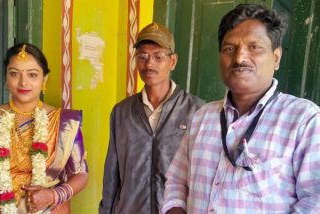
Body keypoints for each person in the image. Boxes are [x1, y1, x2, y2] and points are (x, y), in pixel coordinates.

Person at [161, 4, 320, 213]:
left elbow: (314, 203)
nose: (239, 58)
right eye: (229, 49)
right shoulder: (202, 118)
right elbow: (175, 184)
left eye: (254, 47)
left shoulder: (304, 120)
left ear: (276, 57)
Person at [0, 43, 89, 214]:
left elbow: (81, 174)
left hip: (52, 209)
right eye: (14, 74)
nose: (23, 82)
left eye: (32, 74)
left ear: (44, 79)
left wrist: (54, 195)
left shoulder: (65, 122)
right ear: (6, 78)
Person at [99, 22, 204, 214]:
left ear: (173, 61)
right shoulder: (121, 112)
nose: (149, 64)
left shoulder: (197, 111)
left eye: (158, 56)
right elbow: (112, 173)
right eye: (142, 57)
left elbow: (203, 176)